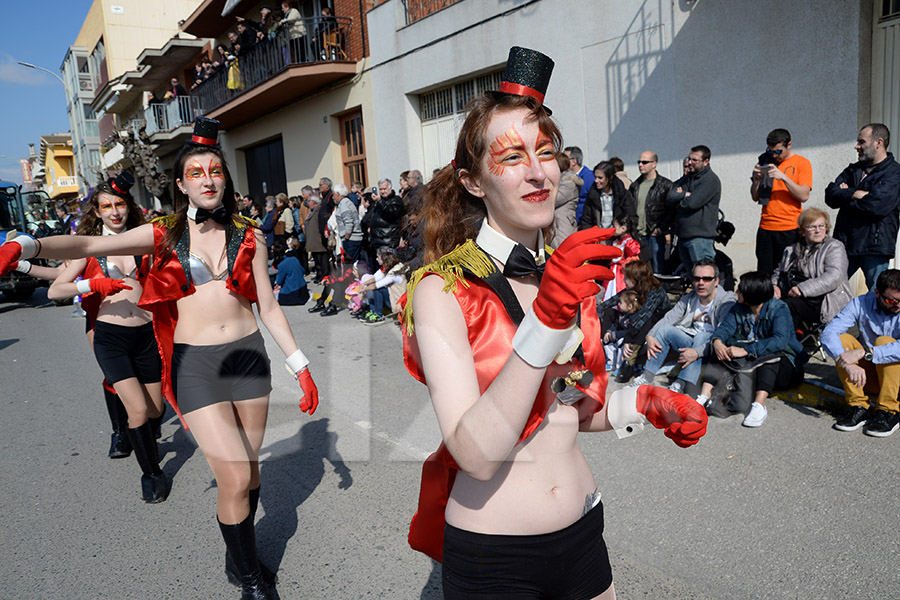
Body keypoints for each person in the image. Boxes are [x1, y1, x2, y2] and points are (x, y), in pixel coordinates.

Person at [400, 47, 707, 598]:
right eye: (512, 156)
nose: (539, 171)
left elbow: (571, 407)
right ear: (472, 181)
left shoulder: (567, 274)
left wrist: (639, 403)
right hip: (496, 559)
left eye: (546, 152)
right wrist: (545, 320)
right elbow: (475, 452)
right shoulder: (441, 290)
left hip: (585, 533)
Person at [0, 118, 320, 599]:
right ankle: (251, 580)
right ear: (181, 183)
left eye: (215, 170)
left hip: (249, 359)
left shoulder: (249, 233)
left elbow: (269, 306)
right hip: (197, 366)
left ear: (225, 179)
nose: (208, 178)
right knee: (233, 473)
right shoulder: (163, 233)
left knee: (250, 472)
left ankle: (240, 558)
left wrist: (300, 365)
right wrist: (28, 245)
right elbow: (90, 245)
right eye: (196, 172)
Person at [46, 173, 168, 500]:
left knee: (155, 410)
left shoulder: (144, 241)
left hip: (146, 335)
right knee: (138, 411)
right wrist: (92, 285)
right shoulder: (88, 247)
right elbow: (55, 289)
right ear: (97, 212)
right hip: (110, 338)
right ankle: (152, 474)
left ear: (128, 206)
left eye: (120, 204)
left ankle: (141, 435)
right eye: (106, 206)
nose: (114, 211)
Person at [698, 271, 806, 428]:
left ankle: (759, 405)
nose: (737, 293)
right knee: (720, 349)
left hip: (786, 367)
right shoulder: (740, 307)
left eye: (740, 290)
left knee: (770, 355)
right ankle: (703, 396)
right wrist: (717, 341)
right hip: (754, 366)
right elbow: (725, 328)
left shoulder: (779, 309)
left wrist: (747, 350)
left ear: (753, 293)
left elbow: (780, 341)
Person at [630, 258, 736, 396]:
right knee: (664, 330)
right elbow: (669, 318)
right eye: (697, 278)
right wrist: (650, 335)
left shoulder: (726, 302)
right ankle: (647, 377)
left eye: (707, 279)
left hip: (712, 349)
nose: (701, 283)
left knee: (702, 336)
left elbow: (722, 337)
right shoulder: (690, 297)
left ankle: (681, 384)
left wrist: (696, 352)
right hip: (690, 341)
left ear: (716, 281)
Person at [821, 268, 900, 437]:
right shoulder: (860, 303)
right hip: (870, 377)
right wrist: (847, 363)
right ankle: (858, 406)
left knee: (885, 342)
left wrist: (866, 353)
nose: (898, 306)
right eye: (892, 301)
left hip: (897, 382)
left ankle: (889, 411)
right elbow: (829, 333)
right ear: (877, 292)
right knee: (842, 340)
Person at [824, 123, 900, 290]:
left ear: (878, 142)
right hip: (845, 243)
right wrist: (855, 193)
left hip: (874, 247)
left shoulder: (894, 173)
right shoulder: (853, 170)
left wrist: (847, 195)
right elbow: (830, 195)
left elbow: (877, 205)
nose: (856, 146)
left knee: (878, 296)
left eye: (861, 142)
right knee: (830, 291)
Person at [771, 207, 852, 329]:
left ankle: (783, 342)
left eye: (821, 226)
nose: (818, 230)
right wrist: (774, 286)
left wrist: (802, 289)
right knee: (767, 302)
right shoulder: (792, 249)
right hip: (798, 296)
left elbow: (834, 276)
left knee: (788, 306)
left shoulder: (834, 247)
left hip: (826, 300)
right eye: (812, 227)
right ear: (803, 231)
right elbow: (780, 272)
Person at [750, 128, 813, 274]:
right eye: (770, 151)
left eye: (778, 151)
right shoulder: (765, 160)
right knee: (765, 273)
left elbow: (804, 195)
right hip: (766, 227)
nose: (774, 155)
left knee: (788, 272)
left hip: (789, 228)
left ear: (789, 145)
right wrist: (756, 181)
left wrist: (783, 177)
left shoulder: (801, 163)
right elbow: (755, 197)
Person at [598, 260, 670, 383]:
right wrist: (596, 312)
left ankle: (629, 359)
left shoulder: (655, 292)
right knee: (610, 311)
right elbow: (610, 302)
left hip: (654, 325)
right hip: (634, 322)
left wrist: (627, 340)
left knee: (646, 320)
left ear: (636, 279)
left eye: (627, 278)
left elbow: (642, 318)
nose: (624, 280)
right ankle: (606, 343)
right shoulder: (633, 289)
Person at [666, 145, 721, 274]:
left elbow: (690, 204)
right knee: (693, 278)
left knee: (704, 277)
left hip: (700, 239)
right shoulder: (687, 179)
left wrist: (680, 199)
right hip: (684, 236)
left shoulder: (710, 180)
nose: (690, 162)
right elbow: (669, 197)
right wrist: (684, 194)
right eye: (689, 158)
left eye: (694, 160)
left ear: (706, 162)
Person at [629, 151, 674, 273]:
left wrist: (660, 228)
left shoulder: (666, 185)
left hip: (654, 234)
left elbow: (671, 211)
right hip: (638, 234)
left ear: (654, 164)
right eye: (639, 162)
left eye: (644, 162)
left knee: (657, 269)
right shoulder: (635, 185)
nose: (640, 165)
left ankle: (658, 292)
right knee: (640, 270)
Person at [578, 160, 636, 230]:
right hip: (598, 237)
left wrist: (623, 230)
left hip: (618, 237)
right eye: (595, 177)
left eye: (600, 178)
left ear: (610, 177)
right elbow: (586, 220)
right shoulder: (592, 195)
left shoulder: (623, 194)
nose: (596, 181)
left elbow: (632, 216)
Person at [356, 247, 404, 324]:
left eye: (378, 257)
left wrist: (363, 289)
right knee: (371, 286)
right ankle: (373, 312)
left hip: (399, 302)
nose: (376, 259)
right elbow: (375, 278)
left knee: (376, 289)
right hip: (396, 298)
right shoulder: (392, 267)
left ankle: (378, 315)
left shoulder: (394, 273)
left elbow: (376, 285)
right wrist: (363, 284)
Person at [602, 289, 640, 373]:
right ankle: (611, 362)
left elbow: (629, 331)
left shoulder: (635, 318)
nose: (618, 304)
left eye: (621, 303)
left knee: (621, 344)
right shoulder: (623, 315)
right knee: (607, 340)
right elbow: (616, 325)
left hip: (627, 339)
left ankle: (620, 366)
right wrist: (609, 331)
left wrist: (616, 334)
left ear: (629, 306)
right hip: (618, 335)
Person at [550, 152, 580, 247]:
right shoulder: (561, 179)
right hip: (558, 221)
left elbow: (555, 200)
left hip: (564, 221)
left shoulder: (569, 181)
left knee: (564, 248)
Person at [272, 239, 310, 306]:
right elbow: (302, 270)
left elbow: (279, 282)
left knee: (272, 297)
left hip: (292, 294)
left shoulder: (281, 265)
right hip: (303, 291)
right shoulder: (294, 259)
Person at [563, 145, 595, 222]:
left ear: (574, 161)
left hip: (583, 223)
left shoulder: (589, 177)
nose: (563, 162)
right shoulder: (567, 176)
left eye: (565, 160)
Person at [333, 183, 363, 263]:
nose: (333, 198)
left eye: (334, 195)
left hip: (351, 239)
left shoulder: (344, 204)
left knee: (350, 264)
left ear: (338, 194)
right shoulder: (345, 203)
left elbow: (349, 222)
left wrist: (346, 236)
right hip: (352, 239)